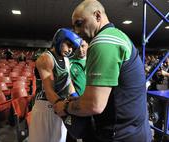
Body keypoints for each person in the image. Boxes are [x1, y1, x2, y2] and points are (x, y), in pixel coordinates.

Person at [53, 0, 152, 142]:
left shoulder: (103, 42)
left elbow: (94, 105)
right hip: (134, 130)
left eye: (79, 23)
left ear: (97, 16)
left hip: (119, 135)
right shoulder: (118, 36)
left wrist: (65, 106)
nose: (76, 31)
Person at [28, 28, 82, 142]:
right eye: (68, 44)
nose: (70, 49)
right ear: (59, 40)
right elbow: (49, 91)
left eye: (72, 47)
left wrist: (77, 99)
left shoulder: (67, 60)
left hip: (60, 107)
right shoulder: (45, 58)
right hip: (45, 108)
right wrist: (63, 106)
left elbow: (69, 83)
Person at [66, 39, 88, 142]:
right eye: (78, 47)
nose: (80, 49)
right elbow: (66, 82)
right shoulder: (69, 62)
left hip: (92, 104)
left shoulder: (95, 61)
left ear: (88, 45)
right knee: (73, 135)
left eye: (83, 46)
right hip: (76, 105)